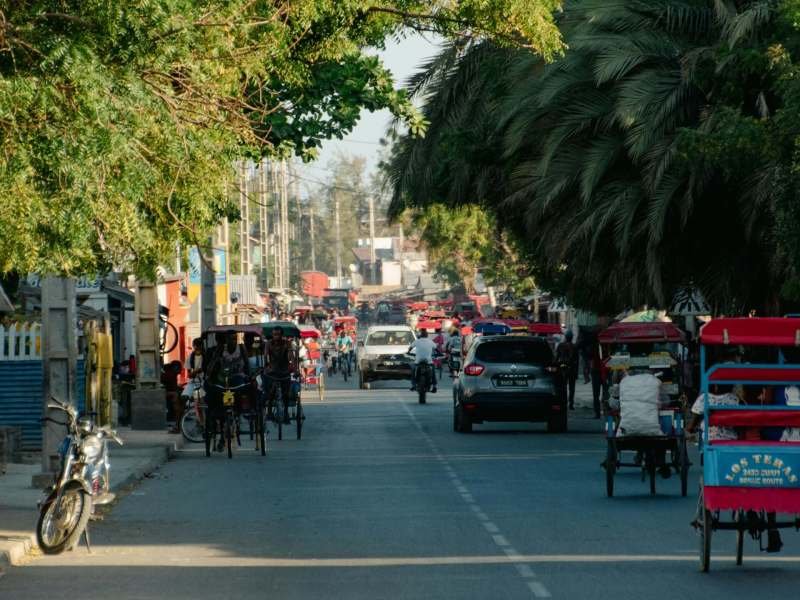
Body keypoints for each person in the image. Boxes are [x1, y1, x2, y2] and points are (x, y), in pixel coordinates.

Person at [265, 326, 294, 422]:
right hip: (272, 371)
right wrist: (267, 366)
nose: (276, 336)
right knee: (271, 392)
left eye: (278, 334)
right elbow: (266, 356)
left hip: (284, 370)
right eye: (274, 334)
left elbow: (291, 356)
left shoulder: (287, 343)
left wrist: (291, 363)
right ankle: (269, 412)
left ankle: (285, 413)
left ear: (282, 335)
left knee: (286, 394)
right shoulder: (268, 344)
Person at [409, 329, 438, 393]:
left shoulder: (417, 341)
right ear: (427, 335)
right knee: (433, 371)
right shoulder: (430, 342)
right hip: (428, 361)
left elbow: (410, 348)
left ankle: (413, 385)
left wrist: (408, 352)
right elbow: (436, 349)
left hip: (418, 361)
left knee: (413, 370)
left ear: (420, 335)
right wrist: (439, 353)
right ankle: (435, 386)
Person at [556, 330, 579, 410]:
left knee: (563, 387)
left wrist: (557, 368)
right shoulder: (574, 347)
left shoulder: (561, 345)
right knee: (571, 388)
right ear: (571, 337)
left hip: (563, 369)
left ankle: (564, 403)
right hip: (571, 369)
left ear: (565, 337)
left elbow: (556, 358)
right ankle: (571, 403)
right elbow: (577, 361)